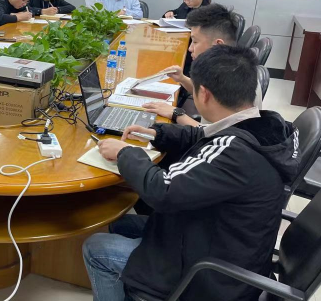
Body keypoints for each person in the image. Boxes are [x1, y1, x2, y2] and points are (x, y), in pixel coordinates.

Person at [84, 45, 299, 301]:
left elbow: (163, 190)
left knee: (95, 248)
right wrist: (156, 134)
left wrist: (125, 153)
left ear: (204, 94)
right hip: (227, 242)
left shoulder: (235, 153)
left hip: (210, 278)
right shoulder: (262, 126)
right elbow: (203, 135)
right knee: (120, 222)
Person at [143, 4, 263, 127]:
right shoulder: (225, 65)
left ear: (218, 45)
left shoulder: (230, 79)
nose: (190, 48)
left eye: (195, 41)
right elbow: (205, 93)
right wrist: (182, 78)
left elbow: (215, 133)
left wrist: (176, 114)